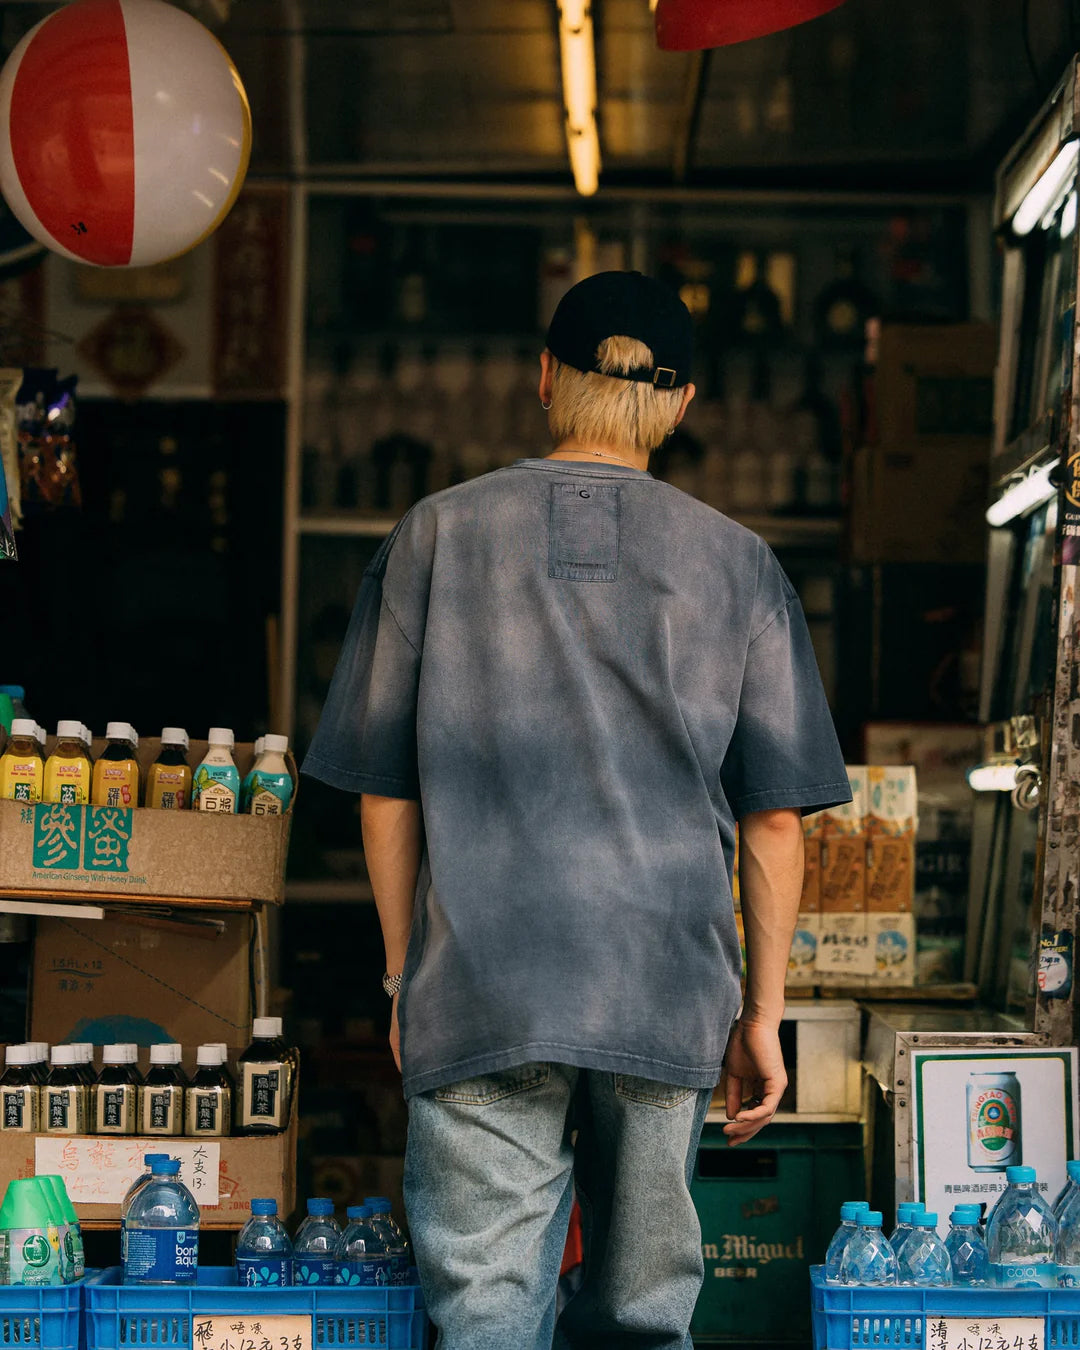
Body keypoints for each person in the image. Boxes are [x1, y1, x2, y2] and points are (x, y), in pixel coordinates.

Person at [303, 271, 850, 1350]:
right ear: (683, 406)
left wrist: (403, 971)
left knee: (489, 1318)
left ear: (543, 379)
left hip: (484, 987)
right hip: (663, 992)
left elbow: (384, 788)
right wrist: (760, 1015)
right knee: (646, 1318)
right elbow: (776, 820)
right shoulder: (740, 567)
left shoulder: (434, 537)